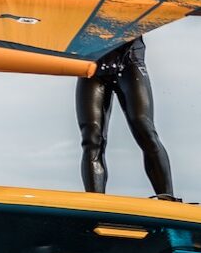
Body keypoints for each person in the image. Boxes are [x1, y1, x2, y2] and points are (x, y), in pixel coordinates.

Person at [76, 36, 177, 200]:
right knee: (91, 138)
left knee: (143, 127)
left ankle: (167, 199)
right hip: (91, 61)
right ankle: (95, 203)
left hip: (129, 60)